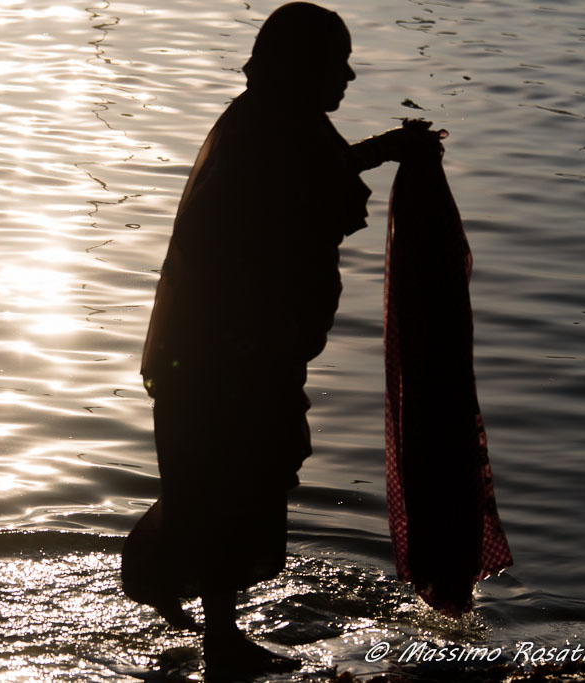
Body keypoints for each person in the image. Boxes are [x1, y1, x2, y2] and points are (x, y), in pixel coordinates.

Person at [121, 2, 440, 677]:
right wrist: (246, 347)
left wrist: (387, 149)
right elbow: (276, 210)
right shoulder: (263, 130)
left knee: (234, 476)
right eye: (337, 62)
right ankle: (214, 632)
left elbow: (307, 184)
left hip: (241, 348)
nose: (349, 75)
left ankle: (188, 600)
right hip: (225, 354)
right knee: (231, 477)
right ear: (303, 66)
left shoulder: (278, 122)